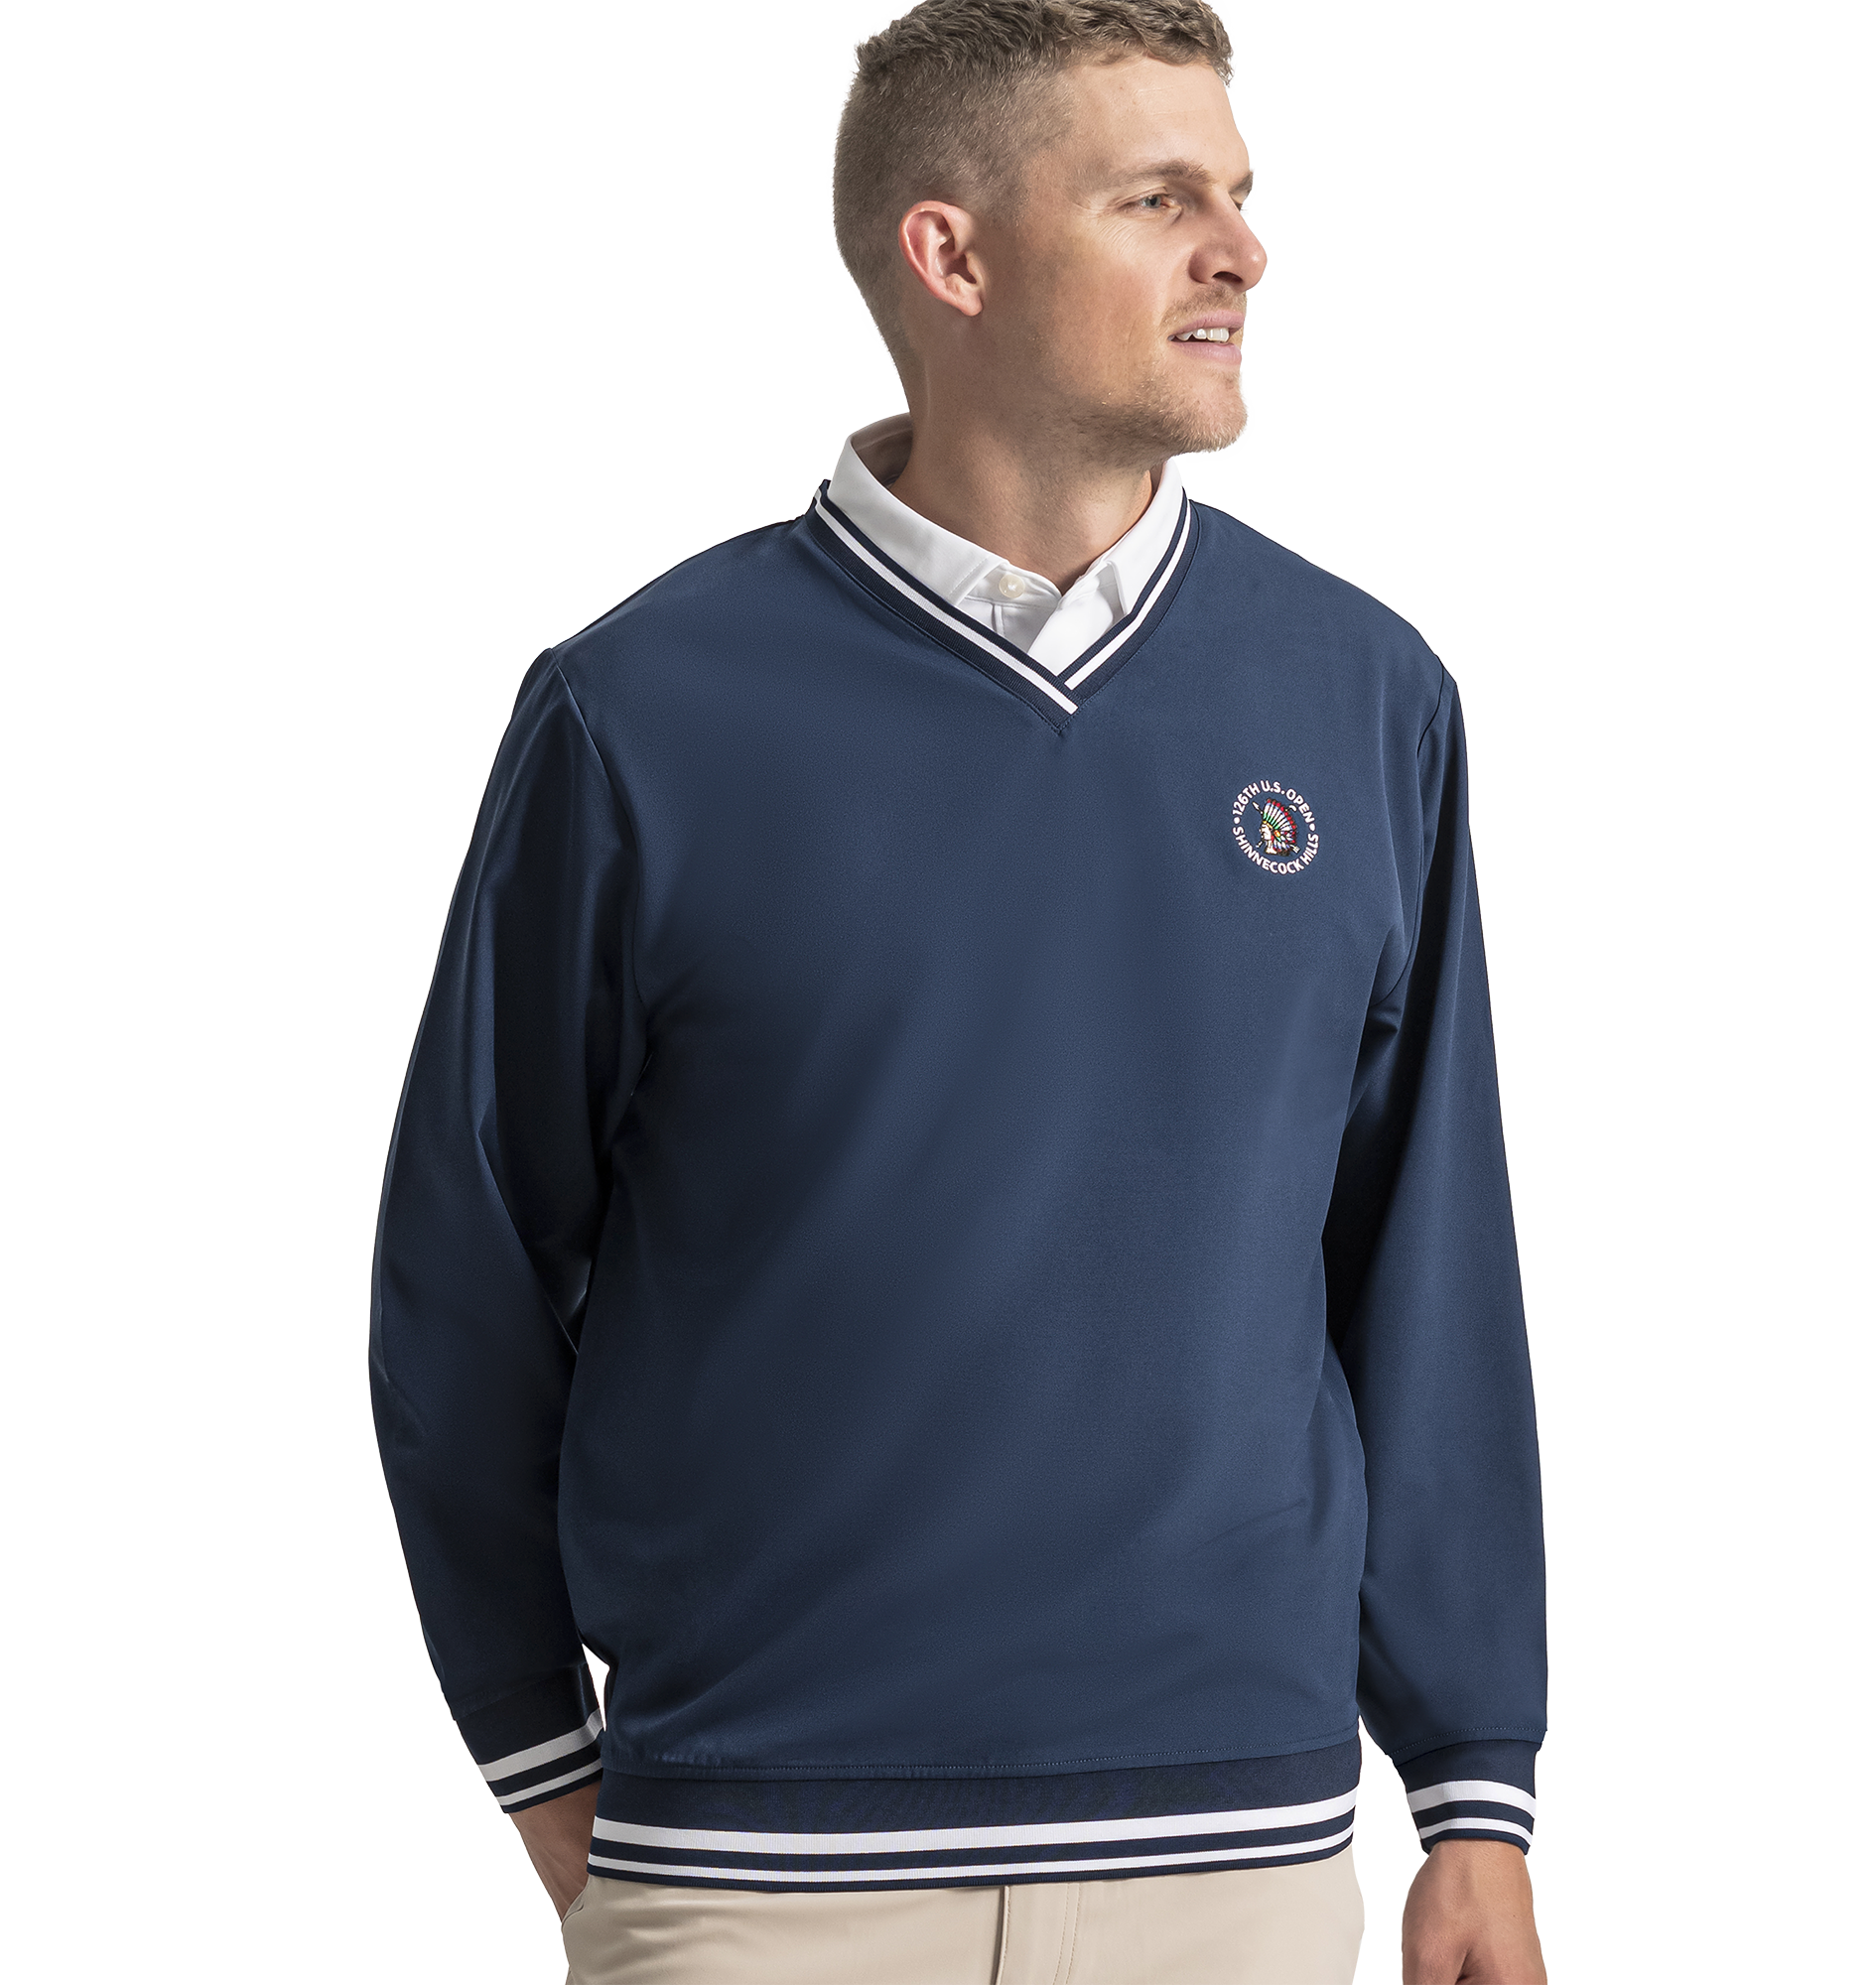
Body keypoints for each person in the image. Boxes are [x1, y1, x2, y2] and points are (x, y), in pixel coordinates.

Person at [368, 2, 1548, 1979]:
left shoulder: (1362, 699)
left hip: (1239, 1863)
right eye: (1157, 200)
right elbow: (462, 1273)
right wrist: (536, 1756)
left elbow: (1426, 1270)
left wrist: (1473, 1784)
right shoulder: (640, 711)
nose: (1242, 251)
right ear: (953, 254)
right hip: (755, 1868)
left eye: (1238, 195)